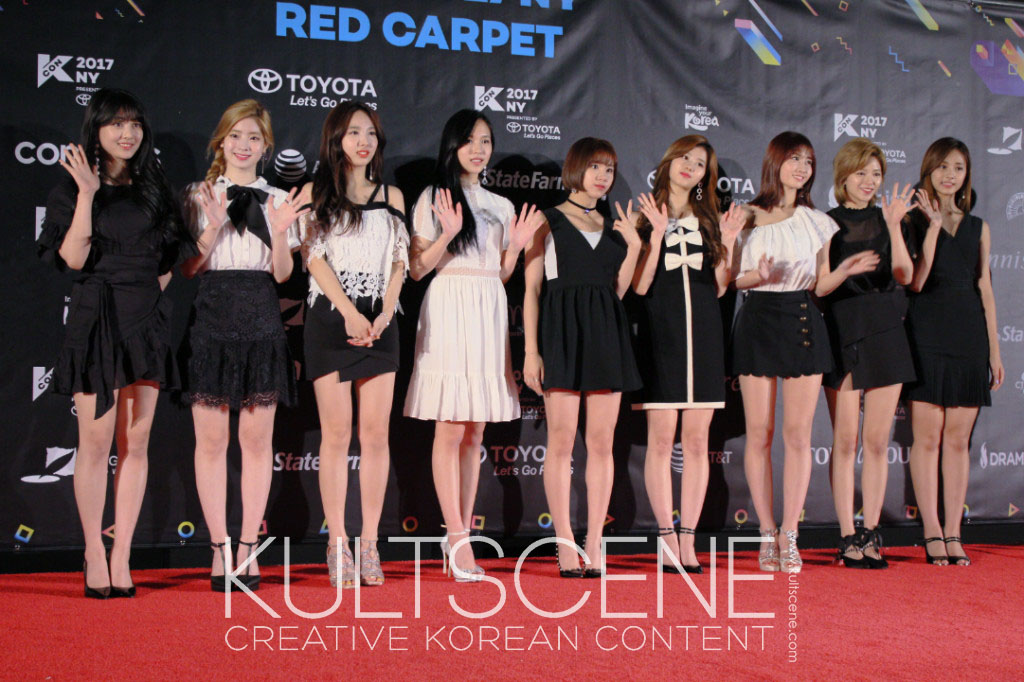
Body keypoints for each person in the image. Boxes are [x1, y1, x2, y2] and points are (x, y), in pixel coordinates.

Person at [37, 88, 195, 598]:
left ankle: (122, 552)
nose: (127, 134)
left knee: (137, 442)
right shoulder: (73, 187)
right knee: (96, 442)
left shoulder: (154, 187)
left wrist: (148, 300)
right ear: (97, 129)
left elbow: (169, 262)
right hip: (96, 320)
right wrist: (87, 194)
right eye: (116, 124)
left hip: (146, 322)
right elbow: (73, 259)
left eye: (134, 124)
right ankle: (92, 550)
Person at [403, 110, 543, 581]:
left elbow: (500, 274)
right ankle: (458, 537)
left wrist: (516, 246)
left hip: (488, 307)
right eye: (469, 140)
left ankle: (458, 534)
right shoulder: (433, 197)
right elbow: (417, 270)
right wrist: (446, 233)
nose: (479, 149)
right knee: (449, 428)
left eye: (485, 141)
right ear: (453, 145)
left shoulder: (501, 204)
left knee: (475, 432)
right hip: (448, 302)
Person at [181, 99, 307, 591]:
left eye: (254, 137)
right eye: (236, 135)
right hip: (211, 316)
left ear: (266, 146)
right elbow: (189, 269)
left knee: (257, 444)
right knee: (211, 443)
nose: (244, 145)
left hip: (261, 316)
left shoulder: (278, 199)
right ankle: (218, 549)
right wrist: (212, 226)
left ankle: (248, 549)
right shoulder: (198, 194)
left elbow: (282, 274)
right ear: (221, 141)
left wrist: (281, 231)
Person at [299, 102, 409, 587]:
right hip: (331, 319)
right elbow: (313, 258)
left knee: (376, 435)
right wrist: (348, 311)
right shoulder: (315, 193)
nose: (363, 141)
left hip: (382, 324)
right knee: (337, 434)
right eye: (352, 133)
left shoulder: (392, 195)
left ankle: (369, 543)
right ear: (335, 140)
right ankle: (337, 542)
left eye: (370, 133)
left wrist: (384, 313)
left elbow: (400, 261)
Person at [522, 137, 642, 578]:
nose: (602, 176)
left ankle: (594, 540)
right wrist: (531, 350)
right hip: (561, 332)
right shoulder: (547, 220)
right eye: (595, 167)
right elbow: (532, 290)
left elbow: (618, 291)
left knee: (602, 443)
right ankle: (565, 542)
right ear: (575, 169)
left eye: (609, 169)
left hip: (607, 333)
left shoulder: (613, 225)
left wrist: (634, 248)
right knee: (560, 440)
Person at [630, 135, 745, 573]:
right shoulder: (645, 212)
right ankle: (665, 535)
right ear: (668, 161)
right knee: (661, 440)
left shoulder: (711, 218)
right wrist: (657, 234)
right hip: (661, 332)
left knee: (697, 441)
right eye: (684, 157)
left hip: (705, 335)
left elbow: (720, 288)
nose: (690, 167)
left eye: (699, 164)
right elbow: (639, 286)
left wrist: (728, 241)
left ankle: (689, 537)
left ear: (704, 177)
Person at [732, 131, 839, 573]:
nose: (801, 168)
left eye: (808, 161)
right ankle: (765, 531)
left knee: (798, 436)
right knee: (759, 434)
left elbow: (822, 283)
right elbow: (730, 278)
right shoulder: (744, 215)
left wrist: (847, 270)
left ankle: (790, 533)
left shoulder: (819, 222)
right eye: (793, 159)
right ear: (774, 162)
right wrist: (755, 277)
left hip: (802, 321)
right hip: (757, 319)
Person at [817, 138, 916, 569]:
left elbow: (905, 275)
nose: (869, 181)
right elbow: (819, 285)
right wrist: (845, 270)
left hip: (886, 331)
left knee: (876, 442)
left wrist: (893, 226)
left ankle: (871, 533)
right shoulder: (825, 222)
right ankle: (846, 536)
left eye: (876, 174)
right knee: (845, 441)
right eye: (862, 173)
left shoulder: (892, 218)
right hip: (842, 329)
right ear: (844, 175)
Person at [904, 137, 1003, 566]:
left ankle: (954, 531)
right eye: (943, 166)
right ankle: (931, 530)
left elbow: (986, 290)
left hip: (969, 338)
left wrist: (994, 352)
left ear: (967, 175)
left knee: (958, 441)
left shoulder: (979, 227)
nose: (950, 175)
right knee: (926, 440)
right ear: (929, 170)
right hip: (925, 333)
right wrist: (930, 227)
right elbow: (914, 282)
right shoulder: (910, 220)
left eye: (958, 168)